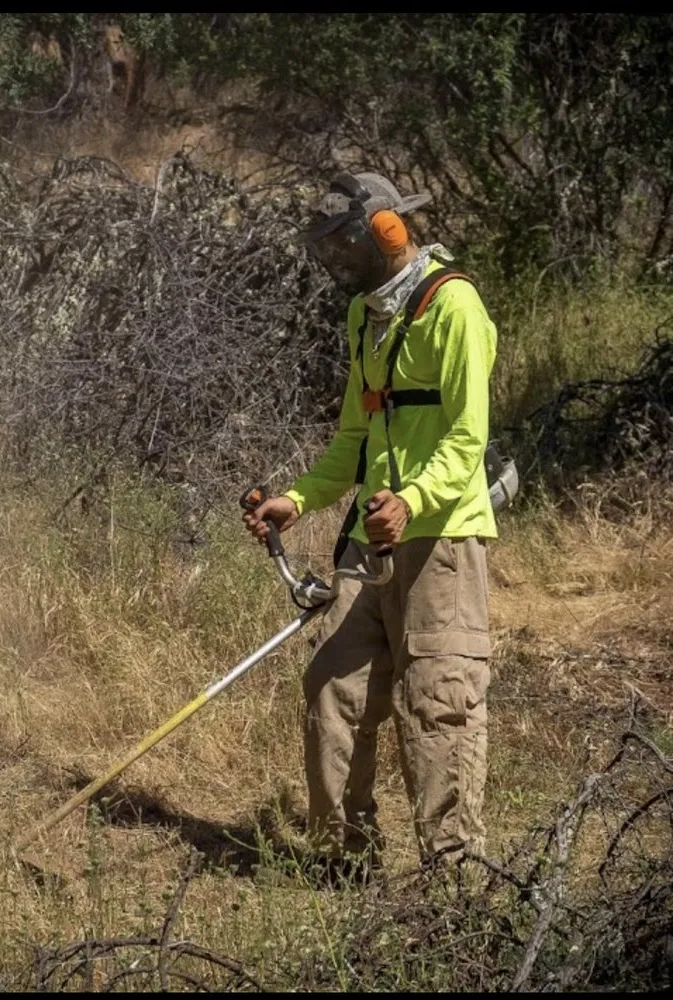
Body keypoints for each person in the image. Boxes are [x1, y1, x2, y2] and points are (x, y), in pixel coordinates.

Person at [243, 171, 497, 880]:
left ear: (385, 232)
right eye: (326, 248)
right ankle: (344, 863)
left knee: (437, 709)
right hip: (370, 540)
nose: (335, 261)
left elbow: (465, 439)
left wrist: (411, 500)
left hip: (439, 540)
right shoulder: (365, 315)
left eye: (344, 244)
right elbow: (354, 436)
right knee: (332, 688)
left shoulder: (454, 307)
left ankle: (455, 889)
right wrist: (298, 498)